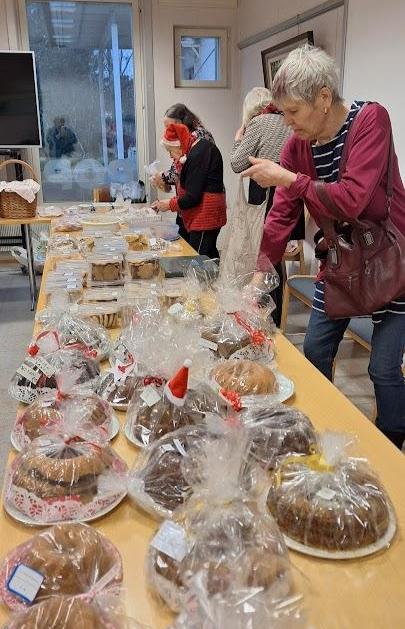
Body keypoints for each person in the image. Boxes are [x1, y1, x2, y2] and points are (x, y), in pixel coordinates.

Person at [242, 45, 405, 449]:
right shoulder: (298, 145)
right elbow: (281, 215)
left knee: (383, 369)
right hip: (342, 260)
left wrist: (287, 178)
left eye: (293, 111)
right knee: (314, 350)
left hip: (392, 262)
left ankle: (390, 447)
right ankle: (315, 434)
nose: (287, 122)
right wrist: (259, 277)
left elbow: (353, 199)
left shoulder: (371, 120)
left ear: (324, 98)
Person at [230, 86, 305, 326]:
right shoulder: (289, 124)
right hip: (290, 193)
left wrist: (237, 140)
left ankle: (260, 317)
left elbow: (237, 163)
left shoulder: (258, 123)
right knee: (276, 259)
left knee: (262, 256)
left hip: (265, 194)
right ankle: (276, 317)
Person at [151, 122, 226, 258]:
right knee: (209, 255)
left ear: (179, 145)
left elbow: (193, 196)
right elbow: (191, 188)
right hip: (205, 216)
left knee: (198, 259)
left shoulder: (198, 154)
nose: (170, 156)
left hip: (205, 218)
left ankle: (209, 273)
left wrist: (169, 204)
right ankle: (216, 272)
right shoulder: (193, 151)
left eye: (170, 151)